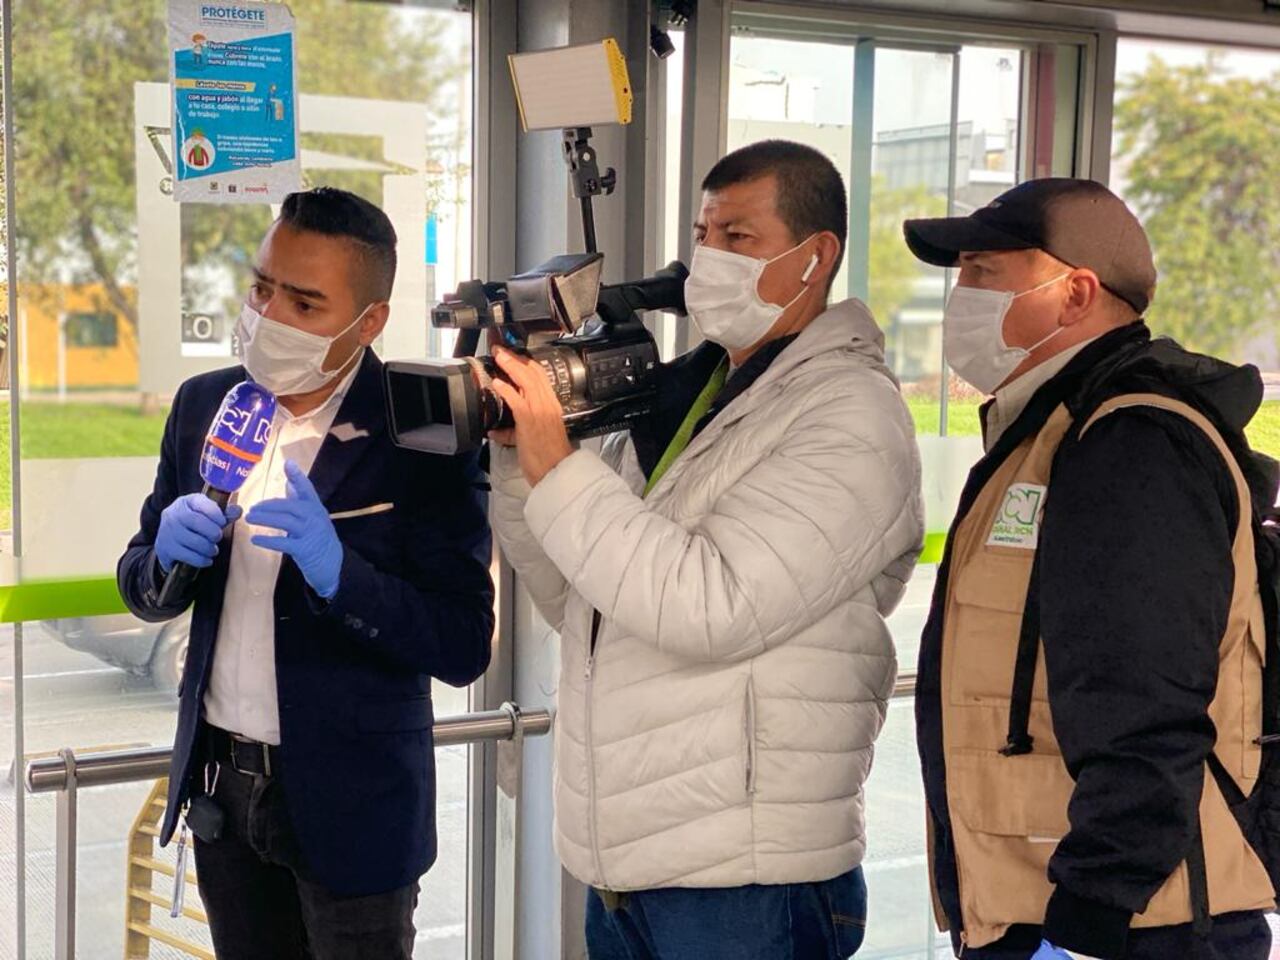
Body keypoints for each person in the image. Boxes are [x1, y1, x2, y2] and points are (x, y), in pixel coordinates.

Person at [488, 139, 924, 959]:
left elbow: (712, 606)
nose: (708, 258)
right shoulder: (696, 396)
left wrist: (560, 469)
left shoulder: (852, 416)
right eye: (702, 233)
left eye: (739, 237)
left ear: (814, 258)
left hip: (747, 888)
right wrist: (521, 458)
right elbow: (582, 596)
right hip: (628, 875)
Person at [117, 187, 495, 960]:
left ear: (369, 322)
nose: (271, 315)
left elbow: (461, 643)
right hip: (225, 789)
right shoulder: (204, 405)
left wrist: (338, 574)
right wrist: (164, 563)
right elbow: (140, 582)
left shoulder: (417, 427)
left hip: (355, 806)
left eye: (305, 302)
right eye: (262, 287)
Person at [904, 177, 1276, 960]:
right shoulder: (1052, 430)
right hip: (1054, 905)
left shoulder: (1128, 442)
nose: (959, 295)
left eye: (983, 271)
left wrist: (1089, 921)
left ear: (1074, 292)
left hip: (1131, 926)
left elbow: (1148, 701)